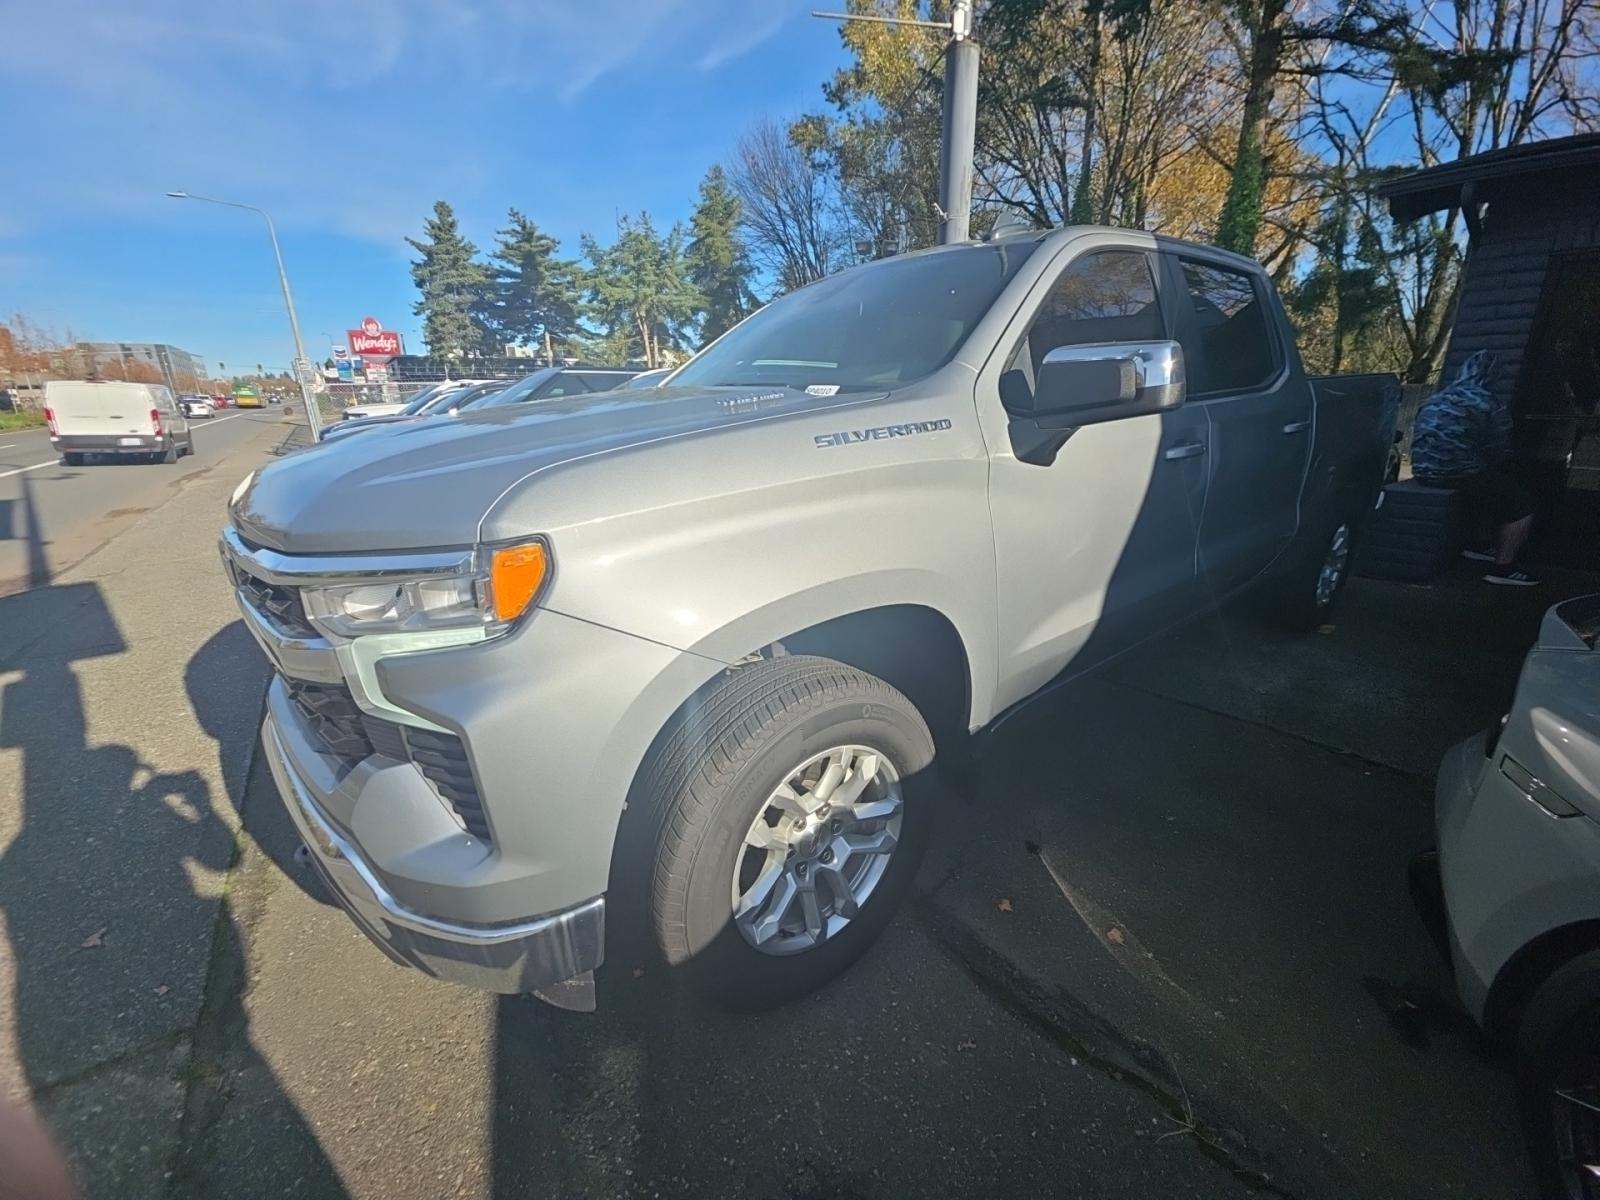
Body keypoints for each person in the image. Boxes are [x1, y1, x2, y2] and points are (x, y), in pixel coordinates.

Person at [1410, 350, 1539, 586]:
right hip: (1458, 473)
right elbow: (1499, 449)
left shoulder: (1437, 397)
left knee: (1485, 488)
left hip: (1421, 471)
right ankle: (1504, 569)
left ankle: (1479, 544)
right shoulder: (1488, 402)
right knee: (1521, 504)